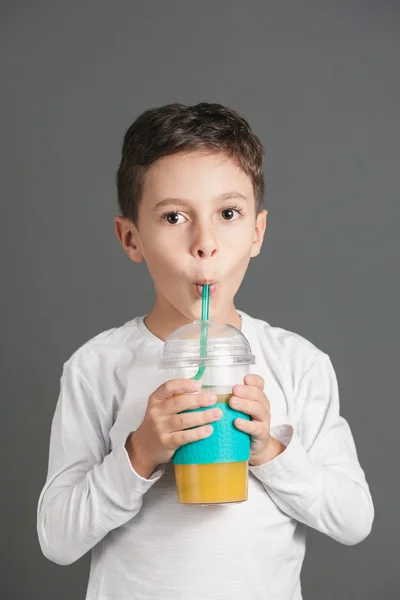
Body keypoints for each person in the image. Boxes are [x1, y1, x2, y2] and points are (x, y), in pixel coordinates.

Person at [37, 102, 374, 600]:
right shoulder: (97, 366)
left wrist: (269, 452)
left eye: (228, 213)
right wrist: (139, 454)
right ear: (131, 238)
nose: (205, 243)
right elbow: (57, 540)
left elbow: (354, 520)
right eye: (174, 216)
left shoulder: (299, 363)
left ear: (256, 232)